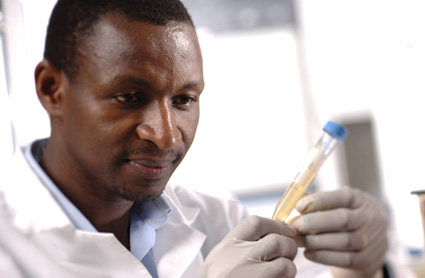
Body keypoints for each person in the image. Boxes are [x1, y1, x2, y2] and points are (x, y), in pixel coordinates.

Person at [0, 0, 406, 277]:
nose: (164, 135)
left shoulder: (217, 223)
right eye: (129, 97)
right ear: (53, 88)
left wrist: (365, 268)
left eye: (183, 99)